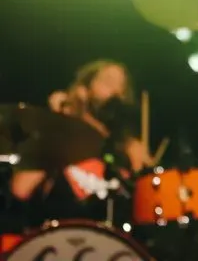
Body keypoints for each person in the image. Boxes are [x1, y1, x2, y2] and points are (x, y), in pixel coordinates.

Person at [8, 59, 151, 223]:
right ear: (83, 91)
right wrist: (57, 127)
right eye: (108, 82)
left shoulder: (126, 150)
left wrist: (141, 170)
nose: (116, 91)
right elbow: (20, 189)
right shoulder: (60, 136)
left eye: (122, 87)